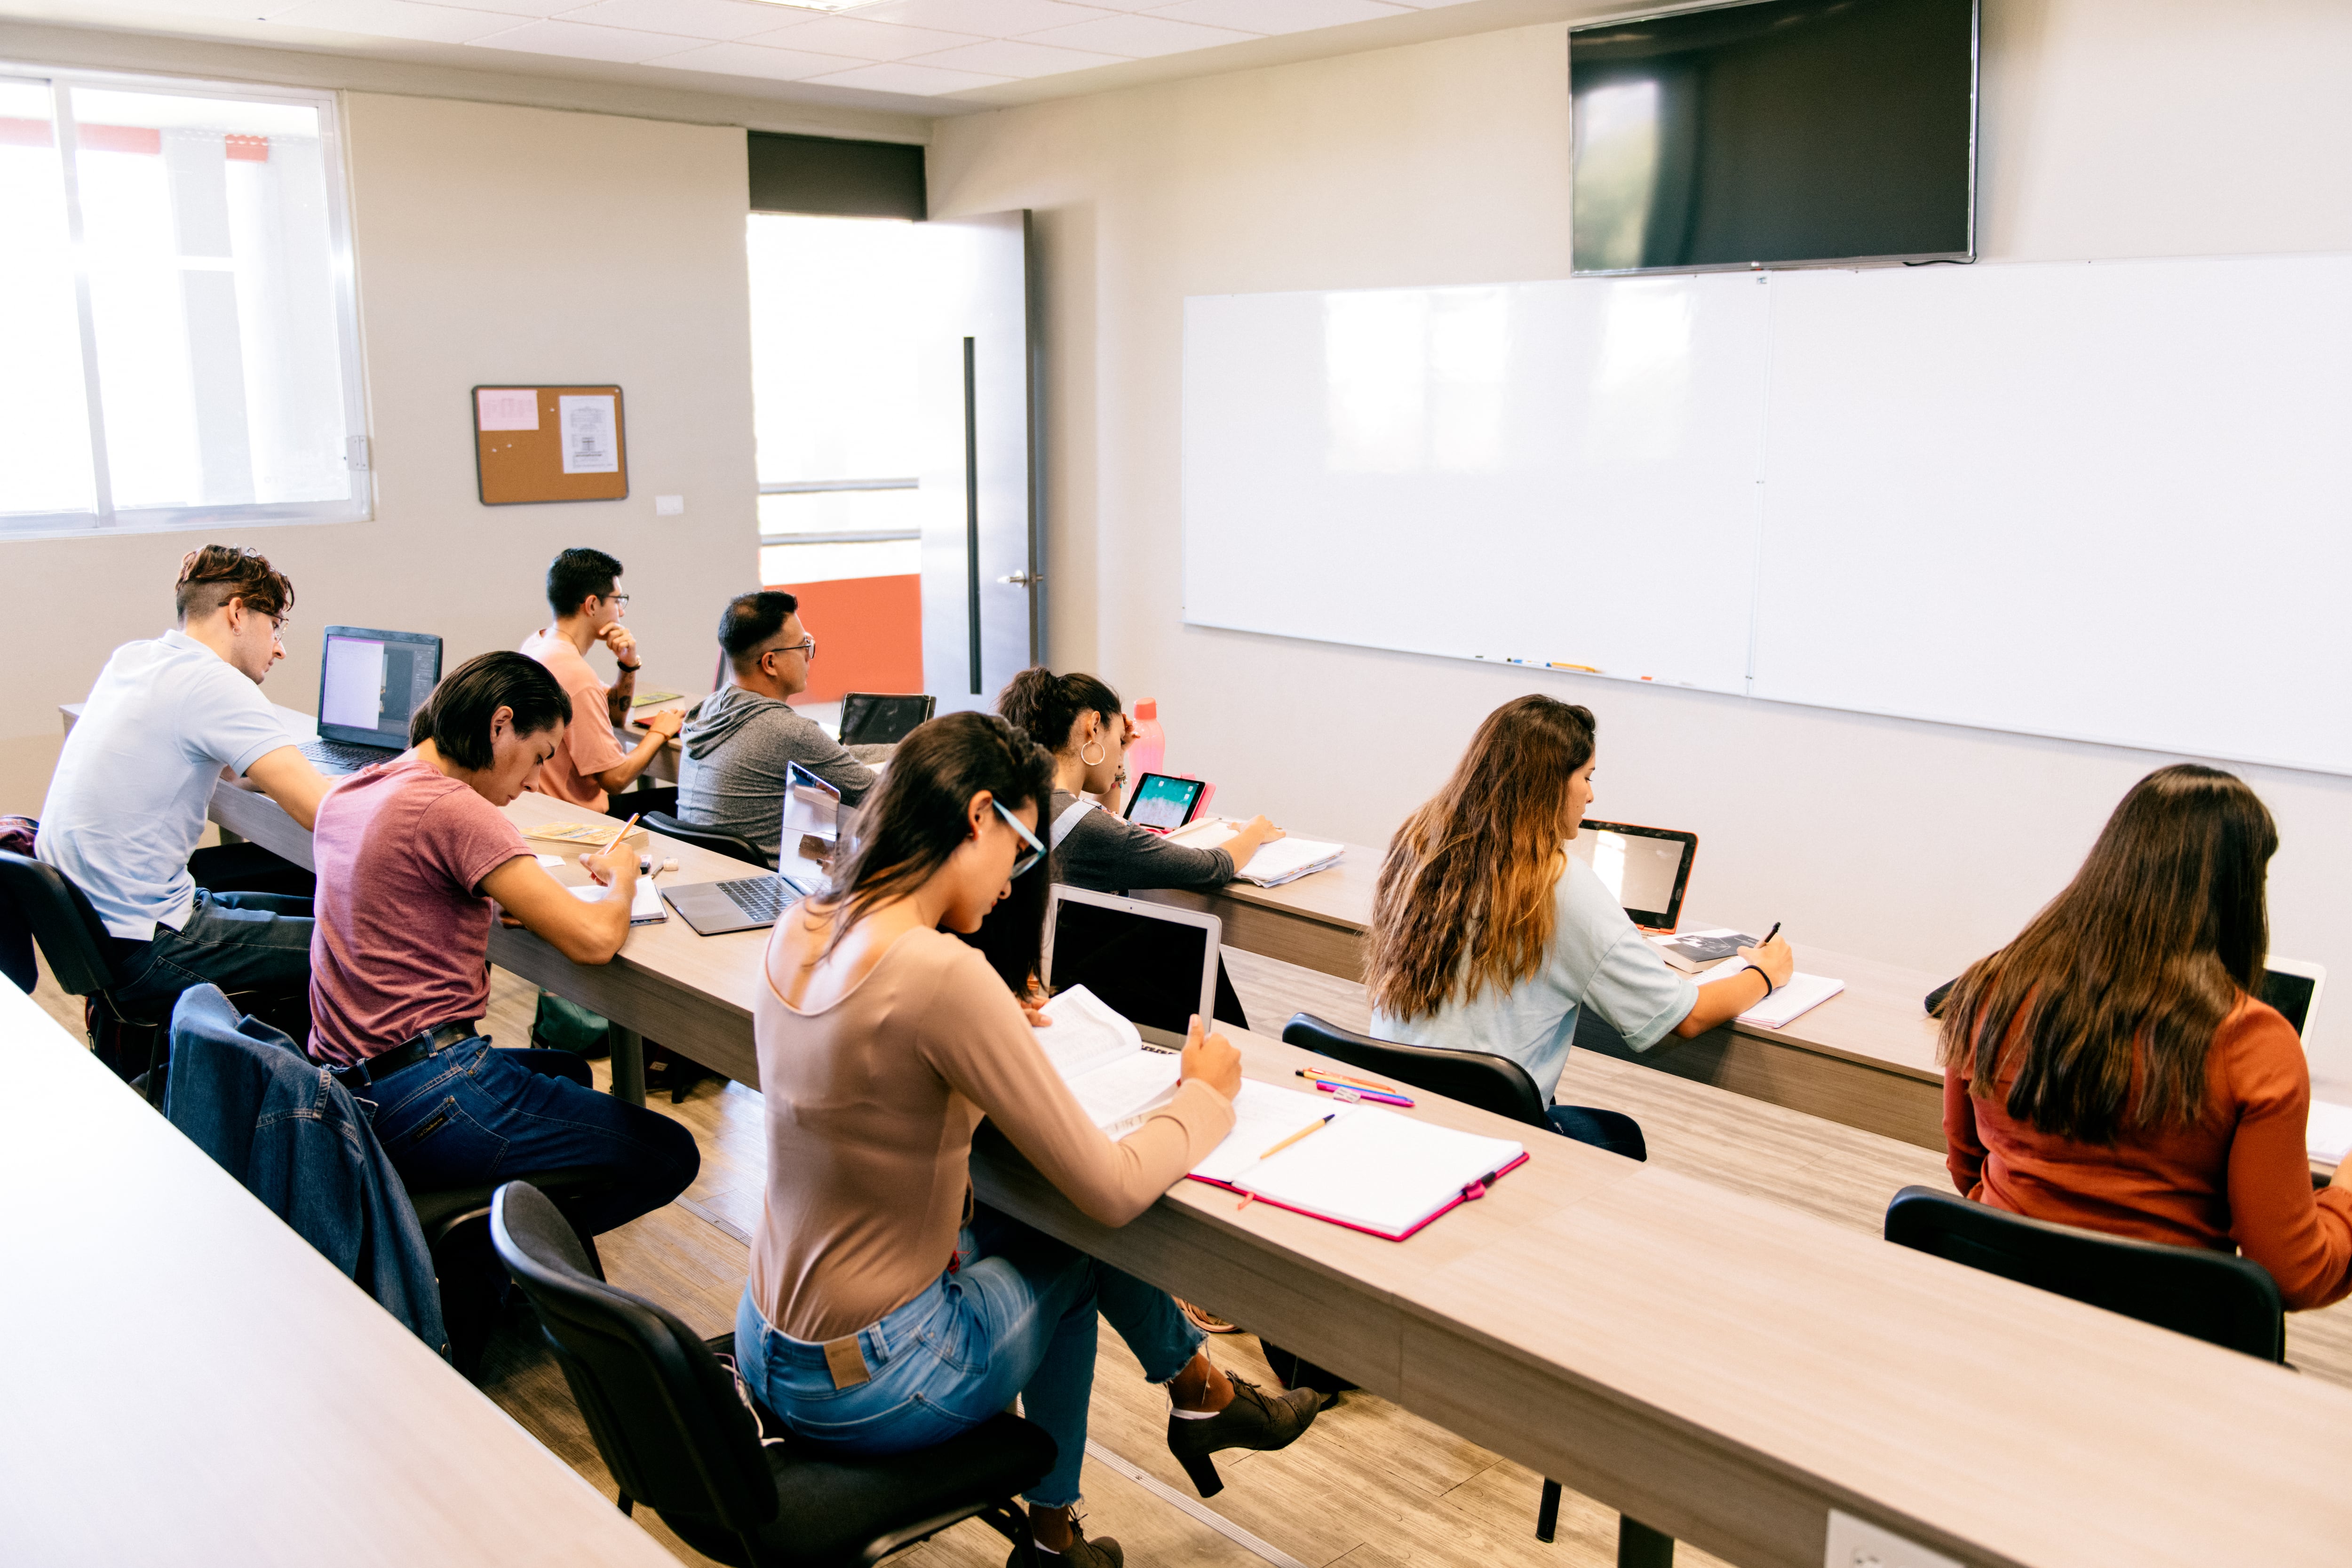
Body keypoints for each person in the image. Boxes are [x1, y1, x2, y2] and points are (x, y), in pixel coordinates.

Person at [735, 712, 1322, 1568]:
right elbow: (1114, 1189)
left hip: (768, 1337)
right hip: (877, 1377)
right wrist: (1203, 1097)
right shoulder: (939, 972)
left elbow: (875, 1091)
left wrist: (983, 1045)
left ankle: (1171, 1427)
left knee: (1043, 1228)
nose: (1014, 884)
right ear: (978, 817)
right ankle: (1089, 1500)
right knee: (1078, 1242)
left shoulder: (807, 923)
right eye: (1019, 850)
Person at [305, 651, 699, 1235]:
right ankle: (502, 1249)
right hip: (427, 1091)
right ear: (499, 724)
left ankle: (503, 1237)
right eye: (538, 756)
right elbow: (593, 941)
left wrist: (492, 904)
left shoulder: (356, 789)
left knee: (567, 1069)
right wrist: (622, 875)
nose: (535, 780)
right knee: (670, 1154)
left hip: (347, 1085)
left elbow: (403, 897)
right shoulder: (455, 808)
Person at [1939, 764, 2352, 1309]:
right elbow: (2293, 1277)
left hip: (1998, 1310)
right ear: (2237, 893)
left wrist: (2035, 1235)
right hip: (2167, 1345)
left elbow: (1967, 1166)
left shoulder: (1989, 988)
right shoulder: (2251, 1042)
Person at [1363, 695, 1793, 1152]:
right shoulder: (1557, 884)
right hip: (1485, 1135)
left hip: (1396, 1110)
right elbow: (1685, 1018)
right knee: (1619, 1136)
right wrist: (1764, 973)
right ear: (1547, 783)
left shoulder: (1418, 843)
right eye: (1585, 777)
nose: (1590, 794)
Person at [37, 545, 330, 1021]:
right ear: (238, 612)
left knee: (321, 912)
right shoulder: (216, 683)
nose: (279, 647)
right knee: (372, 951)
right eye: (275, 625)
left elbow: (224, 766)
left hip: (104, 932)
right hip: (150, 944)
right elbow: (324, 814)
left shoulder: (133, 661)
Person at [995, 667, 1274, 1033]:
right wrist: (1254, 831)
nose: (1120, 750)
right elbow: (1212, 867)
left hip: (1044, 971)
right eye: (1115, 735)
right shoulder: (1090, 828)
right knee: (1187, 936)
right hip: (1083, 985)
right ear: (1092, 727)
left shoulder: (1023, 799)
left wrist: (1117, 756)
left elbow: (1099, 820)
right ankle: (1237, 1047)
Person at [676, 590, 890, 865]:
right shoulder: (789, 733)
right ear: (770, 663)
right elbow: (879, 794)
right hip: (774, 892)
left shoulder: (707, 711)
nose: (808, 656)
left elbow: (836, 757)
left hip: (710, 879)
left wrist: (907, 747)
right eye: (802, 646)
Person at [519, 547, 684, 814]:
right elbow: (615, 780)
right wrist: (659, 732)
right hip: (577, 819)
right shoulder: (574, 673)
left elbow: (614, 717)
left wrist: (628, 665)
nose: (622, 612)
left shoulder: (539, 643)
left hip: (546, 809)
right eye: (618, 601)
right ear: (593, 605)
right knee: (685, 801)